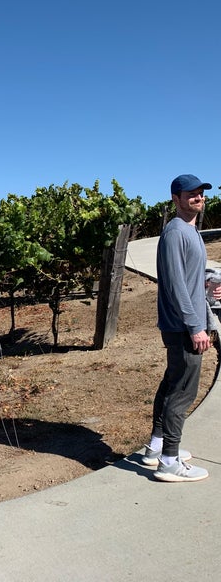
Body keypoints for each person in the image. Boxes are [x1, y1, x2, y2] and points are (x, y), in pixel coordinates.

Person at [142, 173, 221, 482]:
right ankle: (169, 462)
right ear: (175, 199)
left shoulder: (190, 230)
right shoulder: (176, 232)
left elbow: (188, 278)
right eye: (190, 194)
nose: (197, 197)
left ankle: (156, 448)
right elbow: (175, 286)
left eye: (200, 193)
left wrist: (207, 284)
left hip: (185, 324)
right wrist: (196, 327)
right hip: (184, 327)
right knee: (182, 393)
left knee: (172, 384)